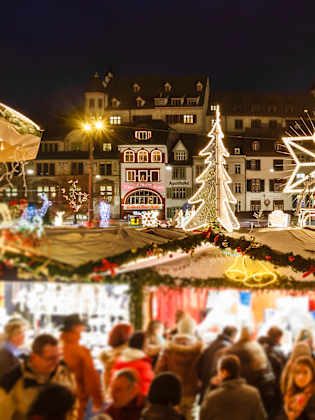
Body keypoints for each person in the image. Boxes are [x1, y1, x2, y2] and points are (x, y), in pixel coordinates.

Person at [0, 333, 77, 420]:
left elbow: (74, 406)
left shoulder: (64, 371)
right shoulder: (11, 382)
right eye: (50, 358)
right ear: (34, 357)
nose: (56, 362)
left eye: (59, 357)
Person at [156, 314, 202, 420]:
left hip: (172, 391)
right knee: (191, 414)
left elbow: (159, 370)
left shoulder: (168, 349)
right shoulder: (198, 350)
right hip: (191, 391)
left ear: (179, 328)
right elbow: (202, 371)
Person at [224, 326, 276, 416]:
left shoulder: (232, 349)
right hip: (256, 389)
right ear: (252, 335)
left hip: (236, 390)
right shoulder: (256, 349)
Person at [60, 314, 103, 420]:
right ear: (76, 328)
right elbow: (91, 377)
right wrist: (98, 400)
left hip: (54, 397)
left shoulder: (57, 347)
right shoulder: (80, 352)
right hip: (75, 399)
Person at [200, 355, 267, 420]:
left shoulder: (213, 397)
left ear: (224, 372)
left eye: (218, 371)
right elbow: (260, 417)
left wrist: (211, 388)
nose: (217, 375)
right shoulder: (253, 393)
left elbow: (203, 415)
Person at [197, 325, 237, 403]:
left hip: (206, 381)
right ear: (233, 336)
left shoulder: (212, 343)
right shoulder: (227, 348)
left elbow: (201, 362)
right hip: (215, 384)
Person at [110, 331, 154, 396]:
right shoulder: (143, 365)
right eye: (147, 344)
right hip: (135, 403)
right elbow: (145, 389)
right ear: (143, 346)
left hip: (117, 400)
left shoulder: (118, 361)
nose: (148, 347)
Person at [99, 323, 133, 396]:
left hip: (110, 395)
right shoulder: (128, 355)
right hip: (125, 396)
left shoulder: (108, 356)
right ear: (126, 336)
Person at [277, 355, 315, 420]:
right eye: (297, 372)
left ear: (312, 374)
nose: (301, 377)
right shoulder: (290, 393)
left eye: (305, 372)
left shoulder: (312, 396)